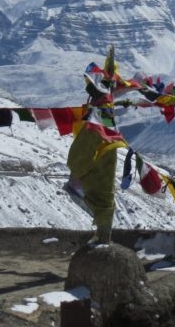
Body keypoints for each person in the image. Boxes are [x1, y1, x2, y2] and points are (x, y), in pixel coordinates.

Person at [65, 47, 121, 244]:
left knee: (102, 189)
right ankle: (102, 234)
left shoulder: (100, 113)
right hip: (102, 143)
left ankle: (103, 235)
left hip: (101, 144)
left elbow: (82, 152)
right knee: (102, 187)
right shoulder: (100, 110)